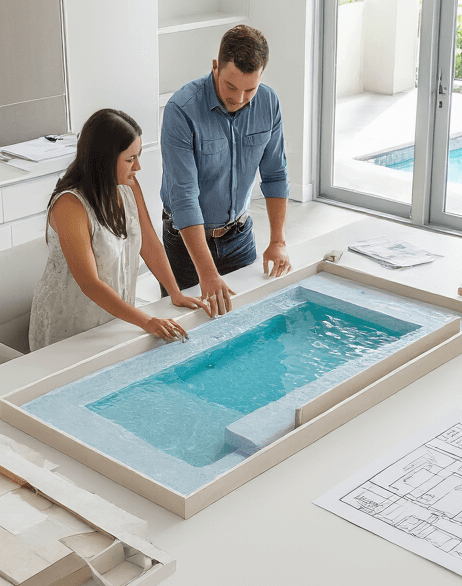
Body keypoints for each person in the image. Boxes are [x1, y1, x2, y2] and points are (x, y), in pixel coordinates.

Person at [29, 108, 204, 351]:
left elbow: (149, 242)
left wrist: (175, 292)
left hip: (114, 317)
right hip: (71, 325)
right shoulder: (70, 206)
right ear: (104, 160)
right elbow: (89, 283)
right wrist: (147, 321)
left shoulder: (128, 186)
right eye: (130, 159)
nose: (138, 167)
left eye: (138, 156)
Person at [160, 24, 292, 315]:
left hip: (239, 236)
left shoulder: (268, 103)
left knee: (246, 322)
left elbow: (275, 175)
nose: (239, 98)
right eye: (231, 86)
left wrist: (278, 241)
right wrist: (206, 273)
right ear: (215, 67)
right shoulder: (180, 111)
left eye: (250, 89)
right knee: (188, 332)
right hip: (186, 243)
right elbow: (183, 198)